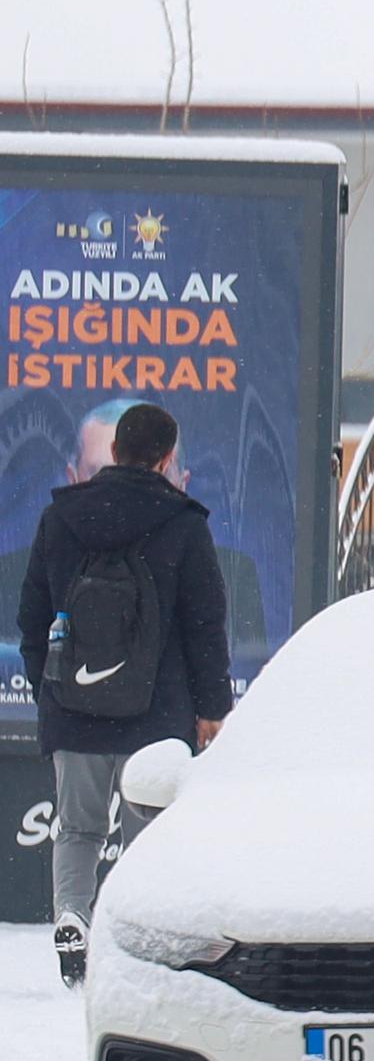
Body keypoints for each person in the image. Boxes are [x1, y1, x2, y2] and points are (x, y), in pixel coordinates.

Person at [19, 399, 234, 985]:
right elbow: (204, 624)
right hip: (155, 716)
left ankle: (72, 915)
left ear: (114, 453)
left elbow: (32, 613)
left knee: (78, 828)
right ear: (167, 459)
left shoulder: (60, 518)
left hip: (74, 708)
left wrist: (51, 685)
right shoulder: (184, 524)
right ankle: (136, 941)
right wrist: (212, 708)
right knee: (150, 833)